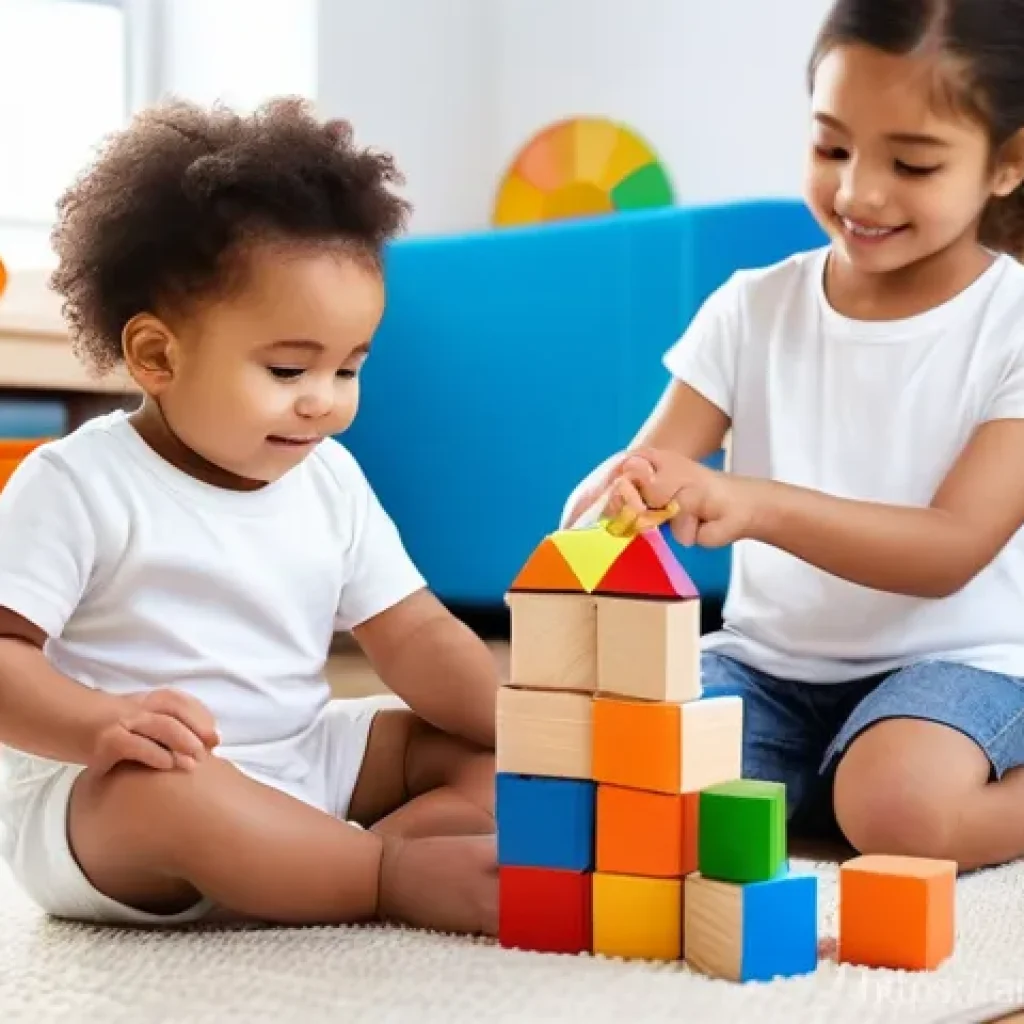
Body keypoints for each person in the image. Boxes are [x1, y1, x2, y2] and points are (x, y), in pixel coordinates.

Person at [0, 98, 500, 933]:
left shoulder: (330, 480)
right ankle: (382, 874)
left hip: (300, 754)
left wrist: (532, 728)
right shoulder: (78, 482)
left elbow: (415, 634)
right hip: (117, 792)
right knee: (164, 797)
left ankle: (307, 861)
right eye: (288, 368)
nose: (324, 404)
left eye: (347, 370)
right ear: (158, 356)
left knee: (487, 761)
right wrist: (101, 723)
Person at [564, 0, 1024, 872]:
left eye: (913, 163)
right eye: (832, 147)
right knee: (629, 790)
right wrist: (613, 500)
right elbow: (650, 464)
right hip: (766, 669)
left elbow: (951, 550)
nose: (859, 191)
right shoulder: (753, 306)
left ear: (1008, 165)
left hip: (964, 668)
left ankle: (873, 785)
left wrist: (753, 503)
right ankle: (823, 782)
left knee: (896, 809)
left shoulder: (1013, 323)